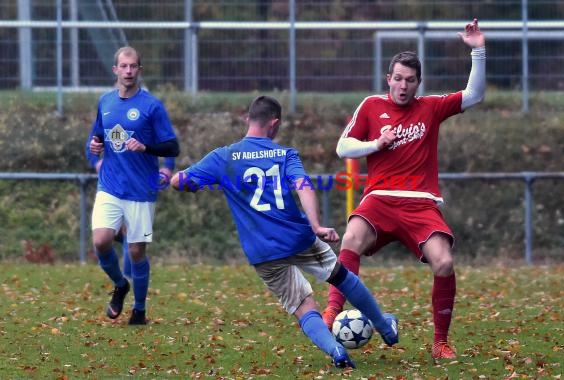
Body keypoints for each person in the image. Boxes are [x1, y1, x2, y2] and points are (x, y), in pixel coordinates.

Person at [171, 95, 399, 369]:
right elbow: (303, 185)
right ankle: (385, 327)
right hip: (298, 237)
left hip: (261, 251)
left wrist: (189, 184)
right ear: (274, 124)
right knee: (340, 276)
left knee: (303, 305)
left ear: (248, 120)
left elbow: (178, 180)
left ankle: (336, 350)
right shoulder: (284, 154)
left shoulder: (224, 157)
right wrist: (316, 225)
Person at [321, 18, 486, 361]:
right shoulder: (371, 106)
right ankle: (331, 313)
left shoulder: (431, 107)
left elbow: (475, 95)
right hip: (379, 200)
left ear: (418, 83)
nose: (403, 85)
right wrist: (376, 143)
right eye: (398, 78)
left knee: (444, 262)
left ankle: (440, 342)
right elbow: (343, 148)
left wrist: (478, 50)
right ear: (389, 79)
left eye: (410, 80)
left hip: (420, 204)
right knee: (351, 238)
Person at [87, 46, 180, 325]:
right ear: (115, 70)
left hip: (141, 190)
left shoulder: (151, 106)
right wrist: (95, 152)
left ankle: (139, 310)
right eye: (123, 66)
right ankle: (120, 284)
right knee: (101, 240)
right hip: (110, 186)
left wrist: (151, 153)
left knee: (137, 251)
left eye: (133, 66)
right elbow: (95, 140)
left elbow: (172, 146)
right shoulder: (105, 102)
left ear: (139, 70)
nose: (128, 71)